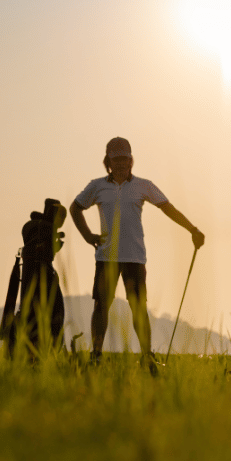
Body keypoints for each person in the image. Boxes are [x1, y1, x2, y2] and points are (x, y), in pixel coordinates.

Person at [70, 137, 205, 372]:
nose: (121, 164)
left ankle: (146, 355)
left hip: (134, 257)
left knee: (138, 308)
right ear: (108, 162)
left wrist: (192, 229)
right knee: (101, 305)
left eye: (125, 159)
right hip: (106, 257)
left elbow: (167, 207)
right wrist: (88, 236)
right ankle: (96, 354)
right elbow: (75, 207)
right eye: (116, 159)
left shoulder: (143, 185)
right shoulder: (97, 186)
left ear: (131, 161)